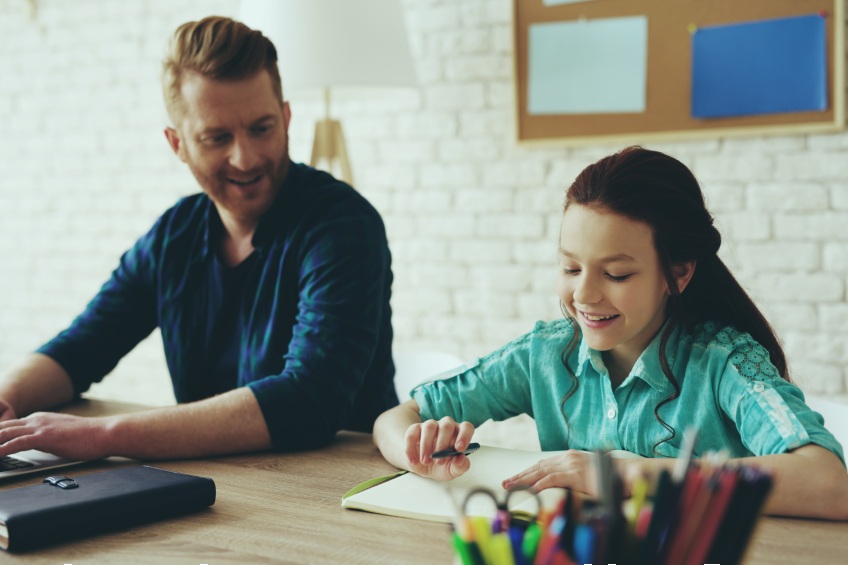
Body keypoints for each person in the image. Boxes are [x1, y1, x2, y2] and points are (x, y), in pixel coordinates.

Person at [373, 146, 848, 520]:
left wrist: (621, 476)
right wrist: (414, 451)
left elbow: (828, 482)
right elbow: (397, 417)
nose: (584, 295)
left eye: (616, 275)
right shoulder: (545, 354)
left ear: (678, 273)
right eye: (570, 266)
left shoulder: (724, 362)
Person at [0, 16, 396, 460]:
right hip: (215, 489)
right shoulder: (174, 235)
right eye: (217, 137)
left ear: (286, 119)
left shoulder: (344, 225)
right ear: (178, 144)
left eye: (261, 128)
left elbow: (310, 400)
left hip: (340, 490)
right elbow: (80, 349)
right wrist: (7, 398)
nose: (244, 157)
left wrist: (103, 435)